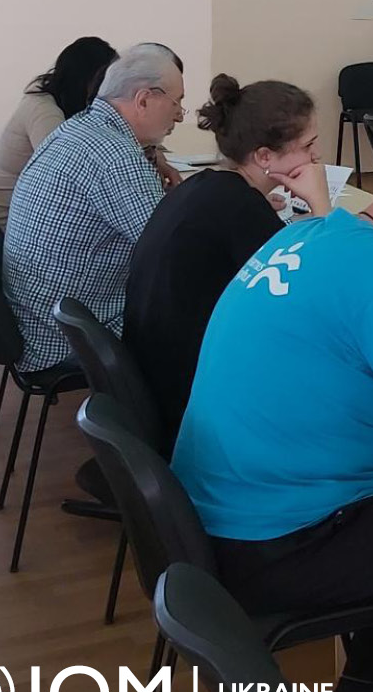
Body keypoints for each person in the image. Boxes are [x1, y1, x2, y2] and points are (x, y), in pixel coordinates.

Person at [172, 145, 373, 686]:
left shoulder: (308, 235)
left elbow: (339, 343)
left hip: (216, 515)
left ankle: (372, 683)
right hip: (282, 538)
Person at [123, 76, 328, 438]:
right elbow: (320, 296)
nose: (316, 157)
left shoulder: (208, 188)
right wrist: (321, 207)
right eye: (308, 146)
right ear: (264, 156)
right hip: (194, 406)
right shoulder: (239, 209)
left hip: (153, 386)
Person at [3, 43, 184, 375]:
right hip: (68, 334)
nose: (179, 116)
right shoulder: (116, 157)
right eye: (177, 104)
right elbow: (173, 250)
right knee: (207, 307)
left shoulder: (79, 129)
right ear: (143, 100)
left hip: (39, 317)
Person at [0, 37, 119, 224]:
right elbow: (69, 172)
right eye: (104, 81)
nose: (106, 90)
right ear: (86, 79)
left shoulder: (52, 101)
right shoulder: (44, 112)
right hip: (14, 224)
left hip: (27, 213)